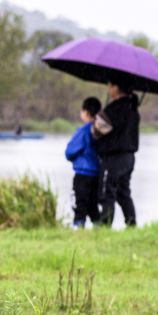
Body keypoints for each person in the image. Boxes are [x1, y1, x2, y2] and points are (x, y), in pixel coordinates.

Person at [92, 77, 140, 227]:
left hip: (113, 157)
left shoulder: (114, 109)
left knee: (107, 191)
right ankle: (131, 222)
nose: (108, 88)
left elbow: (97, 132)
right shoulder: (133, 109)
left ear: (116, 87)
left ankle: (105, 225)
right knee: (123, 191)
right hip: (129, 157)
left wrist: (100, 116)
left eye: (109, 84)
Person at [65, 97, 102, 228]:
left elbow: (69, 152)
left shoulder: (83, 131)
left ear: (85, 112)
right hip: (97, 175)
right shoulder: (100, 131)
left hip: (82, 174)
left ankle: (78, 229)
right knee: (93, 205)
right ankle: (99, 229)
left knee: (80, 204)